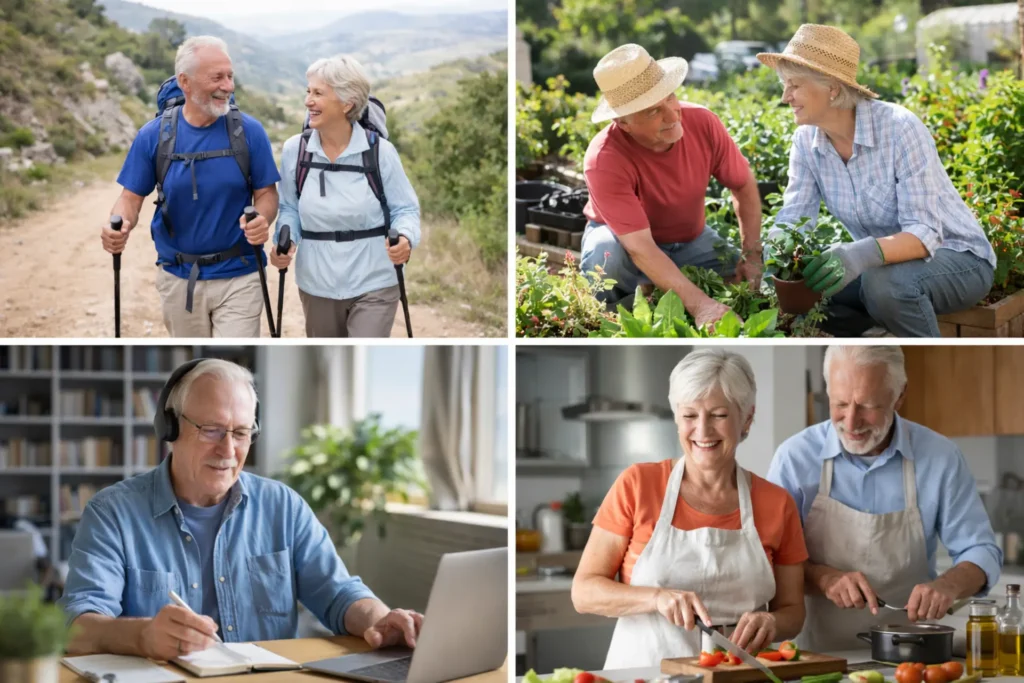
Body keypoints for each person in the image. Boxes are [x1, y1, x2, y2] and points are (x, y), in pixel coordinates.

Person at [58, 359, 422, 658]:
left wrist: (380, 619)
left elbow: (339, 593)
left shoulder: (284, 507)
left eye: (241, 433)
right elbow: (76, 624)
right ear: (170, 427)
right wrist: (143, 636)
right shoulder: (112, 512)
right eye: (212, 430)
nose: (228, 451)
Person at [572, 349, 807, 668]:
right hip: (645, 672)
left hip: (736, 675)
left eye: (719, 415)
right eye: (689, 415)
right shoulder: (637, 484)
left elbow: (793, 611)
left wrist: (774, 623)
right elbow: (584, 592)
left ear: (747, 419)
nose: (703, 430)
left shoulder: (777, 503)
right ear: (676, 417)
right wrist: (655, 598)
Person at [756, 25, 996, 337]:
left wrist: (859, 254)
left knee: (884, 286)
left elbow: (924, 232)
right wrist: (777, 252)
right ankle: (878, 338)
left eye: (794, 85)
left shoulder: (899, 128)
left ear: (831, 87)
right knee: (809, 283)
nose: (785, 96)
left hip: (958, 259)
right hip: (878, 267)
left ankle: (928, 364)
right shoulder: (806, 141)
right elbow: (794, 217)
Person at [767, 346, 1002, 652]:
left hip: (911, 654)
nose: (851, 423)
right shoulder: (793, 459)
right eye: (839, 404)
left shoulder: (940, 457)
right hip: (816, 655)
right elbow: (770, 561)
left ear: (899, 395)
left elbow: (981, 550)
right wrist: (824, 578)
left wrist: (948, 585)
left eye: (867, 406)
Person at [100, 36, 281, 338]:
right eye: (217, 77)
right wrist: (118, 226)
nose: (229, 86)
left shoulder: (249, 131)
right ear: (185, 81)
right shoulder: (153, 136)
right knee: (193, 363)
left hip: (240, 273)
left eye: (230, 76)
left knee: (231, 362)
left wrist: (263, 219)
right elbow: (130, 198)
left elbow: (267, 193)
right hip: (179, 277)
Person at [578, 44, 765, 328]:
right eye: (653, 111)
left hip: (691, 240)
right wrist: (702, 306)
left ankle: (658, 286)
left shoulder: (703, 123)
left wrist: (752, 255)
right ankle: (618, 316)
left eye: (670, 97)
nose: (672, 114)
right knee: (606, 258)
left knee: (761, 274)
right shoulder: (604, 158)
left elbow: (743, 185)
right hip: (626, 245)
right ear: (623, 122)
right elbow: (640, 248)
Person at [273, 55, 420, 338]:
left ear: (347, 103)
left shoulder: (380, 152)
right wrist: (285, 238)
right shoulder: (296, 151)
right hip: (317, 282)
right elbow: (289, 207)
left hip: (375, 278)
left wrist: (405, 237)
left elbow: (406, 210)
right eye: (308, 92)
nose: (308, 101)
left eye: (318, 93)